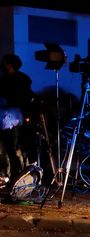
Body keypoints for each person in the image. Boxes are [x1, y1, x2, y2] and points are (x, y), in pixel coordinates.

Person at [0, 54, 33, 185]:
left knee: (11, 148)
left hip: (12, 117)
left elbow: (23, 98)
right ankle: (5, 175)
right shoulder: (3, 79)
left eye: (5, 62)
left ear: (10, 64)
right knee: (5, 149)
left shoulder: (22, 79)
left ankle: (15, 177)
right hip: (3, 116)